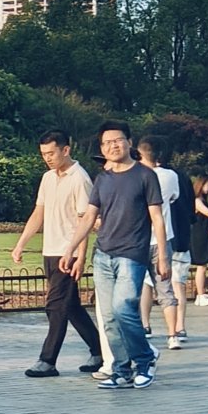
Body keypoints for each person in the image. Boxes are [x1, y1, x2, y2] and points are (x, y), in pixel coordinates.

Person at [66, 126, 168, 390]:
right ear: (101, 149)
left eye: (118, 140)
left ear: (129, 143)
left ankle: (144, 360)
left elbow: (157, 217)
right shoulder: (103, 179)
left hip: (132, 254)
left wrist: (163, 256)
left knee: (124, 308)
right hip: (103, 255)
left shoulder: (146, 175)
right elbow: (89, 217)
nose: (113, 146)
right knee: (109, 317)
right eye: (107, 142)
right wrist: (71, 249)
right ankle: (121, 370)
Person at [11, 134, 103, 376]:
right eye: (43, 154)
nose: (47, 159)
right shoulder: (47, 178)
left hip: (68, 252)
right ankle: (99, 351)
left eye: (51, 153)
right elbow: (38, 213)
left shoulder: (80, 179)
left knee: (55, 306)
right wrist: (21, 243)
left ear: (66, 150)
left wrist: (80, 257)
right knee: (70, 306)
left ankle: (48, 360)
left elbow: (86, 220)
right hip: (51, 250)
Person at [135, 136, 188, 351]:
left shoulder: (134, 175)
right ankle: (173, 334)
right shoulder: (170, 176)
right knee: (165, 287)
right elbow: (174, 197)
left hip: (138, 239)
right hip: (163, 238)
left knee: (141, 285)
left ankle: (144, 326)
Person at [182, 170, 208, 308]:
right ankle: (200, 294)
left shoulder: (204, 200)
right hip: (200, 236)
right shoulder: (196, 200)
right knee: (201, 266)